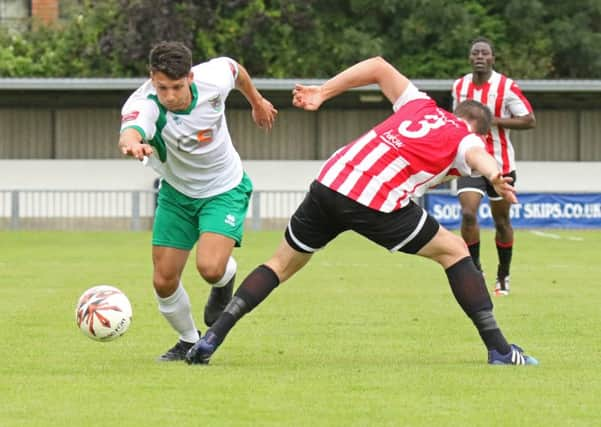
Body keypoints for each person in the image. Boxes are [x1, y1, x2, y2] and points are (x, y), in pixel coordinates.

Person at [184, 56, 538, 366]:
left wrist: (323, 91)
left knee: (279, 264)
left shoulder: (421, 105)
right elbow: (478, 155)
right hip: (376, 200)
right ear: (480, 127)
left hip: (330, 181)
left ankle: (213, 336)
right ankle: (501, 351)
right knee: (456, 251)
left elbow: (378, 66)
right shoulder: (467, 135)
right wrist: (494, 174)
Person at [118, 41, 277, 361]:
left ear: (190, 77)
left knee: (210, 267)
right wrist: (133, 145)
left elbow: (237, 70)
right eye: (163, 87)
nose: (170, 96)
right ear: (152, 78)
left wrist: (257, 101)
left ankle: (225, 280)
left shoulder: (213, 78)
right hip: (177, 194)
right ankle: (189, 340)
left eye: (177, 87)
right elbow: (130, 131)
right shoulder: (145, 103)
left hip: (224, 189)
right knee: (163, 280)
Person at [452, 36, 536, 296]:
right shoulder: (459, 86)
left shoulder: (506, 87)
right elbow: (456, 120)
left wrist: (491, 120)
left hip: (500, 164)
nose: (479, 56)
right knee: (468, 214)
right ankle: (475, 268)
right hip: (469, 161)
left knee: (501, 221)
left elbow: (529, 119)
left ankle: (503, 274)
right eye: (475, 52)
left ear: (492, 58)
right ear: (469, 57)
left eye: (484, 53)